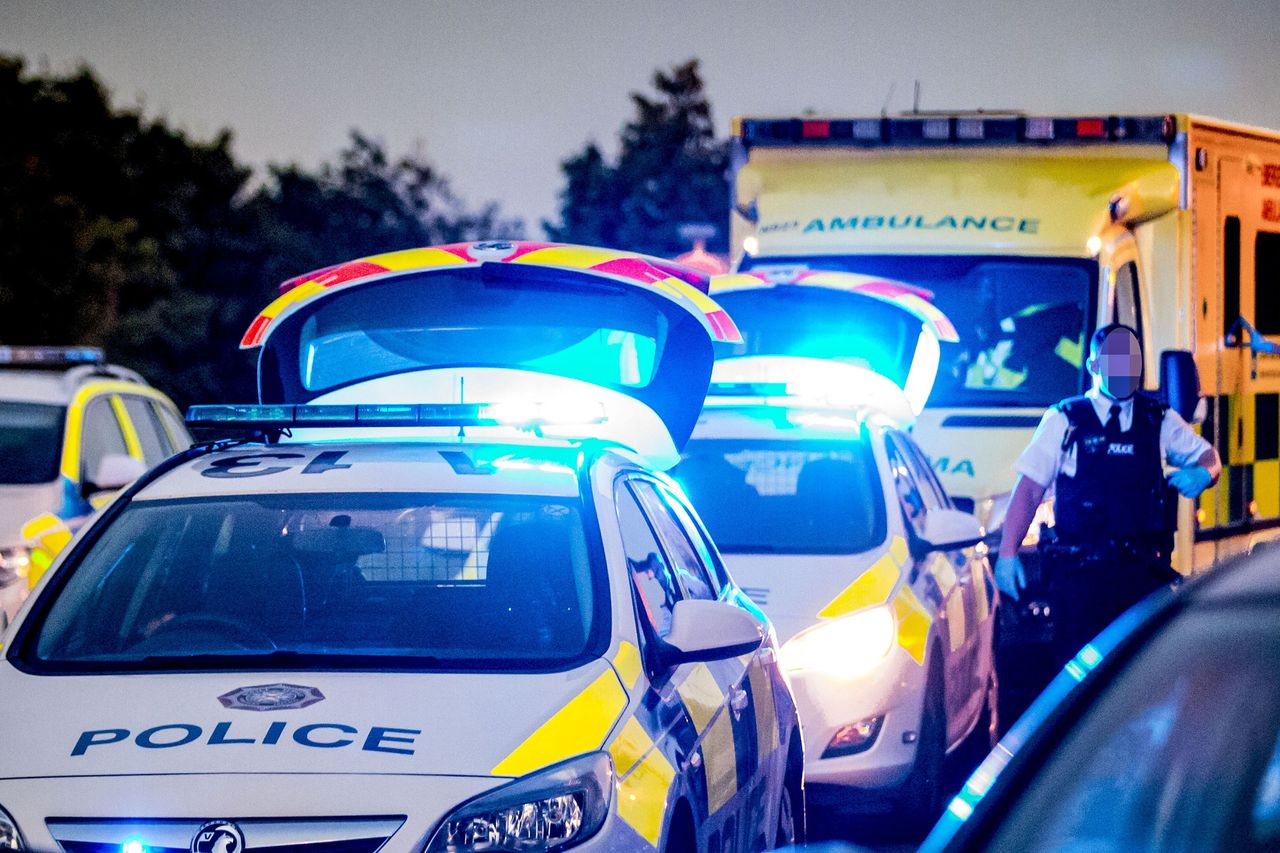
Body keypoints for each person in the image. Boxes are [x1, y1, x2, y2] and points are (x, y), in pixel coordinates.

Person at [995, 323, 1220, 666]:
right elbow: (1028, 490)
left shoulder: (1156, 419)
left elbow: (1209, 456)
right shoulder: (1065, 420)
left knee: (1143, 671)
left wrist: (1206, 472)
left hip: (1142, 573)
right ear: (1094, 367)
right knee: (1080, 675)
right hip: (1081, 579)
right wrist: (1007, 553)